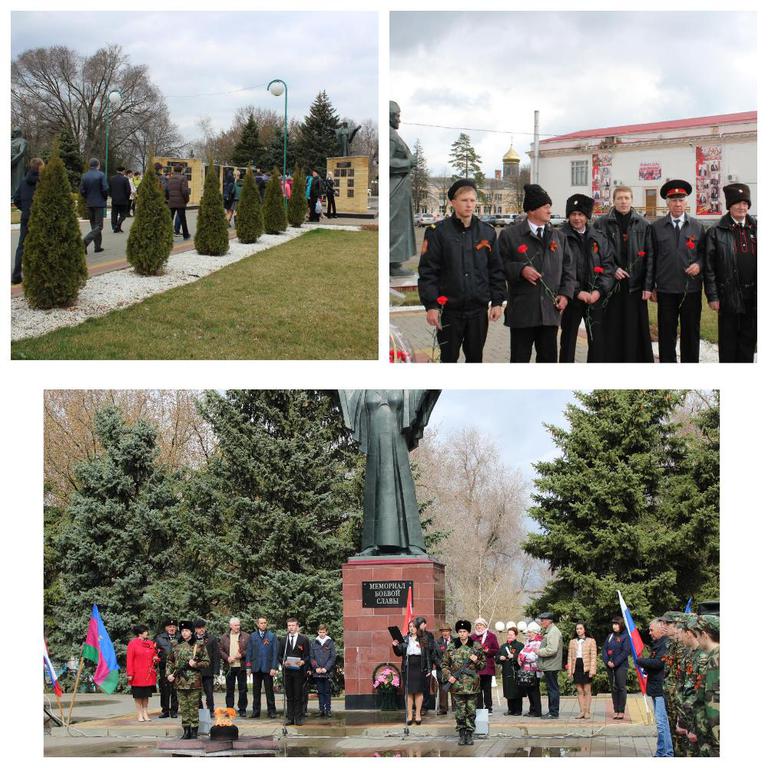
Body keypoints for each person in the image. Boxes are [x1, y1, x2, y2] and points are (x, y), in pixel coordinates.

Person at [417, 179, 506, 362]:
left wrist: (497, 301)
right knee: (448, 359)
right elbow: (428, 272)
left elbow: (495, 269)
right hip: (449, 311)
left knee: (475, 358)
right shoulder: (437, 232)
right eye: (464, 200)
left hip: (478, 311)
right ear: (453, 202)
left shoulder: (487, 232)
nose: (469, 205)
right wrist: (432, 305)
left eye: (473, 200)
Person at [498, 183, 576, 362]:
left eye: (550, 207)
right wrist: (520, 269)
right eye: (546, 207)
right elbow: (498, 266)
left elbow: (569, 270)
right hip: (522, 312)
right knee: (519, 360)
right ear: (532, 210)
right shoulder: (509, 236)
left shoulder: (559, 237)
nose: (550, 211)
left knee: (548, 361)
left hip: (550, 312)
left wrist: (565, 295)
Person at [646, 180, 706, 363]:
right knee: (666, 334)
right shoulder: (656, 227)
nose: (677, 204)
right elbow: (651, 259)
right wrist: (651, 286)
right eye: (673, 200)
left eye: (681, 200)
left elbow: (705, 254)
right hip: (666, 291)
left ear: (686, 202)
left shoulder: (697, 226)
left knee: (690, 333)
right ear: (667, 203)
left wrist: (699, 264)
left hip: (691, 291)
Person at [592, 186, 654, 362]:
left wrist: (648, 286)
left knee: (633, 327)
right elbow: (596, 254)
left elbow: (650, 257)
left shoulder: (643, 224)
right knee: (613, 326)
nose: (623, 201)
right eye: (619, 198)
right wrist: (612, 269)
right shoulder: (601, 223)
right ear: (614, 200)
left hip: (635, 285)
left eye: (627, 198)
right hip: (612, 285)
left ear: (632, 200)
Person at [557, 193, 615, 362]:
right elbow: (558, 269)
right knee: (567, 343)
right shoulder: (560, 237)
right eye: (573, 214)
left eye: (580, 214)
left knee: (597, 343)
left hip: (594, 299)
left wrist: (599, 291)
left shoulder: (599, 237)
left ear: (587, 216)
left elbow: (608, 267)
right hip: (571, 299)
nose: (577, 218)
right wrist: (576, 292)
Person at [704, 182, 757, 362]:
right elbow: (709, 267)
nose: (742, 207)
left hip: (754, 297)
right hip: (728, 296)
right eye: (738, 203)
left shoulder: (757, 228)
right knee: (728, 344)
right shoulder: (716, 231)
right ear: (730, 206)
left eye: (745, 203)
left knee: (748, 343)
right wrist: (712, 296)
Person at [441, 619, 485, 745]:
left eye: (464, 631)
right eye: (460, 631)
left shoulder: (476, 646)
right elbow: (444, 664)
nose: (462, 634)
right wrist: (449, 676)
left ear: (468, 632)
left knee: (471, 711)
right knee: (460, 712)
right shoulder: (451, 646)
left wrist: (476, 660)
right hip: (457, 685)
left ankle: (469, 734)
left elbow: (483, 666)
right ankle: (461, 734)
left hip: (472, 685)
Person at [634, 619, 673, 757]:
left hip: (661, 688)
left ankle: (667, 754)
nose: (649, 633)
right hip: (656, 687)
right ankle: (661, 751)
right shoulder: (658, 644)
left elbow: (658, 663)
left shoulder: (665, 644)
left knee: (662, 724)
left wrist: (640, 661)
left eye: (651, 630)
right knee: (660, 723)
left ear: (661, 629)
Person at [167, 620, 209, 740]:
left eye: (187, 630)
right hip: (179, 681)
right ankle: (186, 731)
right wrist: (169, 674)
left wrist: (196, 664)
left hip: (194, 682)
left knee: (194, 707)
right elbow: (170, 661)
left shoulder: (198, 644)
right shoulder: (175, 644)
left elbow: (207, 662)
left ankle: (194, 731)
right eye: (183, 631)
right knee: (184, 708)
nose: (184, 633)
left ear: (191, 631)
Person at [389, 100, 417, 277]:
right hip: (395, 188)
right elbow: (388, 161)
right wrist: (409, 162)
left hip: (400, 187)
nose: (399, 119)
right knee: (396, 225)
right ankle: (391, 262)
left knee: (399, 224)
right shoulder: (390, 135)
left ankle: (394, 263)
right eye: (397, 115)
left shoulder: (392, 134)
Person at [393, 619, 433, 725]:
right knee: (409, 692)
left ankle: (418, 714)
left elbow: (428, 656)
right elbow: (399, 652)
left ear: (417, 628)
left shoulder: (423, 639)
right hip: (408, 667)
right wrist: (395, 645)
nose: (412, 628)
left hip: (420, 668)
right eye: (410, 626)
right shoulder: (405, 639)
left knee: (419, 692)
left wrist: (429, 668)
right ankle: (410, 714)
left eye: (413, 626)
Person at [12, 156, 44, 284]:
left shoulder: (24, 181)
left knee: (21, 246)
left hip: (26, 216)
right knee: (40, 245)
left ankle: (16, 275)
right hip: (39, 217)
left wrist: (25, 208)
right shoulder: (43, 182)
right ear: (40, 167)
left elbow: (16, 199)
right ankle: (37, 273)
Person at [693, 615, 719, 757]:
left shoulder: (716, 659)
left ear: (704, 635)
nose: (696, 639)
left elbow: (713, 702)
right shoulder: (714, 656)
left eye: (697, 635)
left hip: (713, 739)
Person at [278, 617, 310, 725]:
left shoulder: (303, 639)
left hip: (298, 672)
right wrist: (283, 662)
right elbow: (279, 655)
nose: (291, 628)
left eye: (293, 625)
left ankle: (299, 717)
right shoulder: (284, 640)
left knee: (298, 695)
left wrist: (303, 662)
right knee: (290, 695)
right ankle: (290, 718)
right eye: (289, 626)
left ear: (297, 626)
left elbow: (308, 656)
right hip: (288, 672)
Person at [245, 616, 278, 718]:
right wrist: (248, 667)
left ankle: (272, 711)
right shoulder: (253, 636)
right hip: (256, 667)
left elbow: (275, 653)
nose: (263, 624)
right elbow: (249, 652)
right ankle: (256, 711)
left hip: (267, 668)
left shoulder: (272, 636)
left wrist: (274, 667)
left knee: (269, 691)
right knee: (256, 691)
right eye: (261, 623)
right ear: (257, 624)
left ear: (266, 624)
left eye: (265, 623)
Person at [126, 624, 159, 722]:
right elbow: (129, 659)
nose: (147, 633)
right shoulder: (133, 643)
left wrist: (156, 658)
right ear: (140, 633)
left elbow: (155, 654)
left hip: (148, 674)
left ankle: (145, 713)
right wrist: (130, 673)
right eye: (145, 631)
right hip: (137, 674)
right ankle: (139, 714)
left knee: (146, 695)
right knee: (138, 695)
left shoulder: (150, 643)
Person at [218, 617, 250, 717]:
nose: (238, 627)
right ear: (230, 626)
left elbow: (250, 649)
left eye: (239, 625)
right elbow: (220, 650)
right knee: (230, 689)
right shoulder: (224, 637)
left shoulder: (246, 636)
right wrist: (227, 658)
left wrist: (242, 654)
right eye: (235, 625)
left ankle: (242, 709)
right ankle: (230, 709)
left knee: (243, 689)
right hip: (230, 667)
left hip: (241, 666)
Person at [534, 611, 563, 719]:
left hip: (551, 665)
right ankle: (552, 711)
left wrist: (539, 651)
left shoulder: (553, 632)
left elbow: (552, 649)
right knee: (551, 689)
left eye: (543, 620)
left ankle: (554, 712)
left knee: (553, 689)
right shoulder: (549, 631)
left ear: (549, 621)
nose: (541, 622)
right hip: (549, 664)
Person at [601, 616, 631, 720]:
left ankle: (621, 710)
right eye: (613, 624)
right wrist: (607, 661)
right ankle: (616, 710)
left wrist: (615, 662)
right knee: (613, 688)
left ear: (621, 625)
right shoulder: (610, 636)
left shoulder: (625, 636)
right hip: (610, 666)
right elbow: (604, 650)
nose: (614, 626)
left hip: (621, 666)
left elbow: (625, 652)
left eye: (616, 624)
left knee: (621, 687)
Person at [567, 622, 597, 719]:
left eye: (580, 628)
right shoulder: (572, 641)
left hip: (586, 667)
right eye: (577, 629)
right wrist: (570, 671)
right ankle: (581, 711)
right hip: (577, 667)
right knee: (579, 690)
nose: (578, 630)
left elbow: (593, 657)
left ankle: (587, 711)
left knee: (587, 690)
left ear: (584, 630)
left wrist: (592, 670)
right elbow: (570, 657)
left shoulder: (591, 641)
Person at [470, 617, 499, 713]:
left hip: (487, 667)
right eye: (477, 625)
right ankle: (479, 707)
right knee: (477, 689)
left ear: (485, 626)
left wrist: (488, 651)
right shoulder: (473, 637)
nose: (479, 627)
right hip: (476, 667)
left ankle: (488, 707)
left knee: (487, 689)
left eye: (481, 625)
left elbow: (496, 650)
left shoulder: (491, 636)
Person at [80, 158, 109, 254]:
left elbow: (82, 191)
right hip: (99, 203)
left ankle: (97, 246)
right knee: (99, 226)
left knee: (94, 225)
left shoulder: (84, 176)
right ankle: (85, 242)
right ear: (98, 165)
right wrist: (104, 198)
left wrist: (88, 198)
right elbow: (105, 189)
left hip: (90, 203)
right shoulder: (101, 174)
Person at [496, 626, 524, 716]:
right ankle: (510, 710)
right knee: (508, 692)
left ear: (515, 635)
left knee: (517, 691)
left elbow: (523, 657)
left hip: (516, 671)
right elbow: (496, 658)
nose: (509, 636)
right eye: (508, 634)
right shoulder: (503, 646)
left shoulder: (520, 645)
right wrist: (500, 657)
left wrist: (514, 657)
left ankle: (518, 710)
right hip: (506, 671)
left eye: (511, 634)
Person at [310, 624, 337, 717]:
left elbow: (332, 657)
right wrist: (316, 667)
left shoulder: (330, 642)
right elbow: (311, 657)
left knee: (327, 691)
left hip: (327, 672)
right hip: (317, 672)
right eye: (320, 632)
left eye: (323, 632)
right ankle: (321, 709)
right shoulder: (314, 643)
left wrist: (326, 668)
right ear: (318, 632)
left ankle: (328, 710)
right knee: (320, 691)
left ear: (326, 632)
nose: (322, 634)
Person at [517, 620, 543, 717]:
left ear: (535, 632)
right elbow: (522, 652)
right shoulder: (528, 642)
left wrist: (522, 657)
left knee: (534, 691)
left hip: (535, 670)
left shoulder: (539, 642)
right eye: (528, 632)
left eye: (530, 632)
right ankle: (532, 710)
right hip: (527, 670)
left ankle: (537, 711)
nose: (528, 634)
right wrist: (520, 656)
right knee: (529, 690)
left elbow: (533, 657)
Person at [193, 619, 219, 716]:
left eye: (203, 627)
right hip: (196, 670)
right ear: (195, 629)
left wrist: (216, 670)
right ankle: (200, 709)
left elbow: (216, 655)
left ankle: (211, 709)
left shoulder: (212, 639)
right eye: (199, 628)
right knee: (197, 692)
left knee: (209, 692)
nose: (201, 630)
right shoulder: (192, 639)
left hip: (208, 670)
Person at [155, 618, 179, 718]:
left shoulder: (180, 637)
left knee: (175, 689)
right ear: (166, 628)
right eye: (169, 627)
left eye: (173, 627)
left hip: (176, 667)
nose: (172, 628)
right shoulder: (159, 637)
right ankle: (165, 710)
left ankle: (174, 710)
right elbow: (155, 650)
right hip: (164, 667)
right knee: (165, 689)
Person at [434, 623, 455, 715]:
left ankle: (456, 707)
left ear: (450, 632)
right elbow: (434, 656)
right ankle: (443, 708)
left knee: (455, 688)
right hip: (441, 670)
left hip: (454, 669)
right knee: (443, 689)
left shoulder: (456, 641)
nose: (445, 633)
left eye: (447, 631)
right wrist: (442, 665)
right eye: (443, 631)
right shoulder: (437, 642)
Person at [167, 165, 191, 239]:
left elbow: (167, 190)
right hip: (180, 202)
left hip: (171, 201)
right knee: (183, 219)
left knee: (169, 219)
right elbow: (185, 191)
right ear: (181, 170)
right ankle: (186, 235)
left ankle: (167, 236)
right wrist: (186, 200)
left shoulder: (170, 178)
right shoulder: (183, 178)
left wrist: (168, 198)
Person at [109, 166, 132, 233]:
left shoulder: (111, 178)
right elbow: (128, 190)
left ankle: (115, 226)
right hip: (123, 200)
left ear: (117, 171)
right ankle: (118, 224)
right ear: (123, 171)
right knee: (123, 214)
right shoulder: (125, 179)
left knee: (114, 213)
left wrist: (112, 196)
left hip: (114, 199)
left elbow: (109, 189)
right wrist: (127, 198)